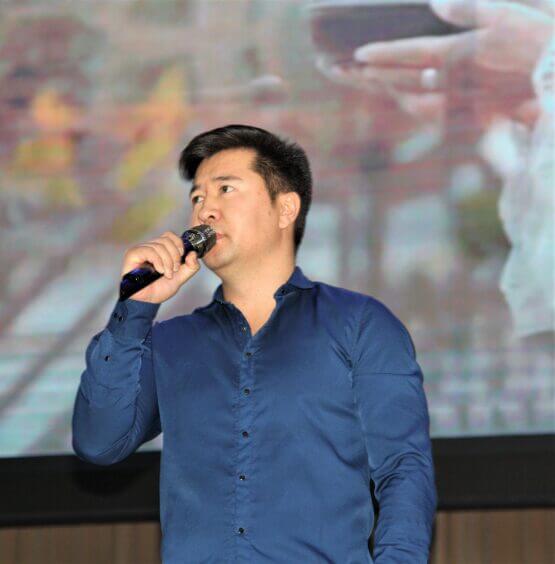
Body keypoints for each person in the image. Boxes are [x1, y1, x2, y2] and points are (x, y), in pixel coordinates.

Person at [72, 124, 437, 563]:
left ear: (285, 209)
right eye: (197, 198)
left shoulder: (359, 325)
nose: (205, 209)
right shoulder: (168, 341)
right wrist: (134, 308)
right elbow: (99, 442)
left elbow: (403, 469)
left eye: (225, 189)